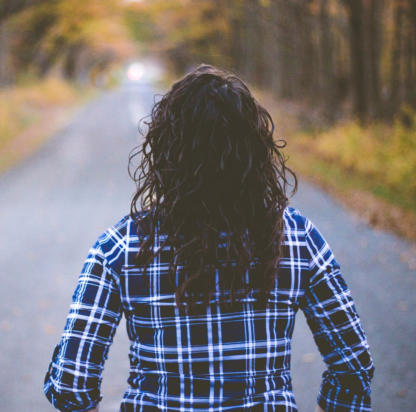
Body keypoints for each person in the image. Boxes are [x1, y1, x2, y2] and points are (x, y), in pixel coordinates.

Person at [44, 63, 374, 412]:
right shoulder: (296, 238)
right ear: (255, 149)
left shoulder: (120, 248)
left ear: (165, 150)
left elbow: (71, 383)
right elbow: (353, 365)